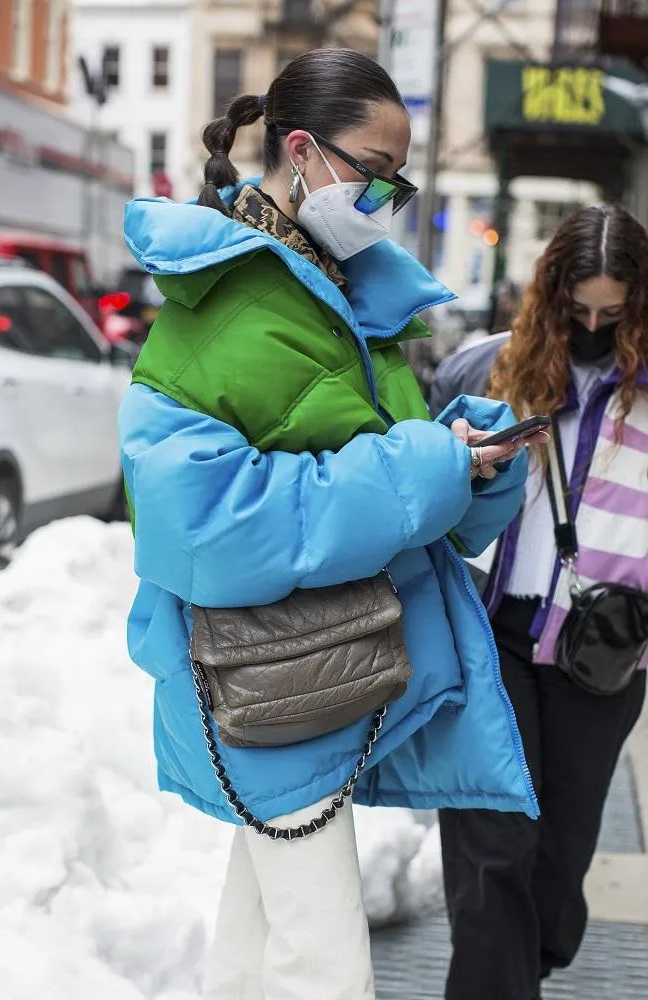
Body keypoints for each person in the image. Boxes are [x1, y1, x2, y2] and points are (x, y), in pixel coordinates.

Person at [118, 49, 546, 1000]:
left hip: (314, 670)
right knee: (324, 967)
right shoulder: (221, 303)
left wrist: (465, 463)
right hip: (269, 675)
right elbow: (202, 525)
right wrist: (421, 468)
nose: (387, 197)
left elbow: (392, 487)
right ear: (303, 149)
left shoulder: (344, 295)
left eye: (400, 178)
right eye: (375, 171)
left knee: (258, 943)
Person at [430, 203, 648, 1000]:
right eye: (578, 309)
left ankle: (524, 966)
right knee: (493, 856)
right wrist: (460, 464)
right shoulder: (487, 368)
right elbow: (421, 484)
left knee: (556, 871)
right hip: (494, 633)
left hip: (605, 654)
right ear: (550, 294)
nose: (591, 327)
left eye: (611, 315)